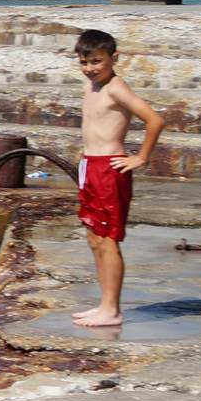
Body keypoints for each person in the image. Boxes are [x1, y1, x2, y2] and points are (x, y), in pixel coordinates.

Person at [71, 29, 165, 328]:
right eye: (84, 62)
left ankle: (112, 308)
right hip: (90, 165)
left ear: (114, 58)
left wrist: (141, 157)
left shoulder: (115, 87)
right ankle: (103, 303)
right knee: (94, 237)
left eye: (97, 61)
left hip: (110, 169)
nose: (90, 68)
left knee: (109, 239)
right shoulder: (90, 86)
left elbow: (155, 120)